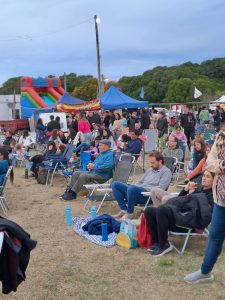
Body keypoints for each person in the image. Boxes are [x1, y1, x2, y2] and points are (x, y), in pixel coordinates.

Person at [184, 125, 225, 284]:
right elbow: (210, 163)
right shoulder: (221, 136)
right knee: (215, 236)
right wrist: (222, 166)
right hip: (221, 197)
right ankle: (205, 272)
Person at [145, 170, 214, 257]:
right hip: (181, 216)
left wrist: (193, 197)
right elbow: (180, 200)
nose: (204, 178)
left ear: (214, 181)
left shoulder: (212, 196)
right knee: (149, 211)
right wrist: (186, 190)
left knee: (162, 209)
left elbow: (202, 215)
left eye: (208, 177)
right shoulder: (198, 188)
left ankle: (165, 245)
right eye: (204, 175)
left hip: (189, 223)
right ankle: (157, 242)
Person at [112, 152, 172, 219]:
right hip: (136, 191)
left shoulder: (166, 172)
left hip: (147, 196)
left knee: (132, 188)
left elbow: (161, 188)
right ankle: (124, 209)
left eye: (153, 163)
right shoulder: (149, 170)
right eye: (150, 162)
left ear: (160, 161)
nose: (151, 165)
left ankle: (129, 213)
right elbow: (140, 182)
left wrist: (136, 188)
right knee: (115, 184)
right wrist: (133, 186)